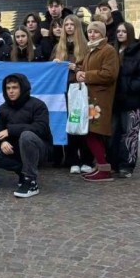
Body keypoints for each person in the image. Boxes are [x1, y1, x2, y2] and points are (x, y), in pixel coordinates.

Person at [0, 73, 53, 198]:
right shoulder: (3, 108)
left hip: (39, 149)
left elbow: (41, 128)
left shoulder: (38, 105)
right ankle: (23, 172)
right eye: (8, 88)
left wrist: (11, 130)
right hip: (15, 150)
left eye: (14, 88)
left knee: (26, 136)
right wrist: (2, 142)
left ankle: (30, 182)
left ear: (23, 88)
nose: (11, 91)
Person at [75, 21, 120, 182]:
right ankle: (101, 166)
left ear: (102, 34)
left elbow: (109, 74)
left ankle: (103, 167)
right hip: (91, 98)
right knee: (92, 133)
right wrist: (79, 71)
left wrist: (86, 75)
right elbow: (85, 69)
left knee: (94, 133)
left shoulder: (107, 50)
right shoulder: (91, 50)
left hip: (100, 99)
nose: (92, 34)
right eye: (90, 32)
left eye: (96, 32)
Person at [52, 14, 94, 174]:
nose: (69, 27)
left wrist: (75, 68)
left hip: (80, 90)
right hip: (64, 91)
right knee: (69, 124)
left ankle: (86, 159)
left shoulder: (86, 47)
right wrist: (55, 64)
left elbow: (89, 68)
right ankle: (72, 160)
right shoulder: (58, 47)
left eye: (72, 25)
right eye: (66, 25)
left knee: (83, 124)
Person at [111, 22, 140, 177]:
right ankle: (113, 163)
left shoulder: (139, 53)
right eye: (118, 31)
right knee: (113, 132)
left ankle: (127, 165)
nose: (120, 34)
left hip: (131, 100)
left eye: (124, 31)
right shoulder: (112, 50)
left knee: (130, 134)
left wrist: (127, 87)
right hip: (114, 100)